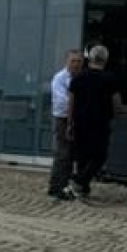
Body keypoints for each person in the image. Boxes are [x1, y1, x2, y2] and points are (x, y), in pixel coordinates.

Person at [68, 45, 122, 201]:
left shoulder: (78, 77)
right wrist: (116, 114)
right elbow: (116, 102)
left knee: (82, 156)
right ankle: (81, 183)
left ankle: (82, 188)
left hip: (80, 122)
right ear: (105, 60)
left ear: (89, 59)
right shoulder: (110, 79)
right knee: (99, 156)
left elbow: (71, 102)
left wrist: (70, 122)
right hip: (101, 123)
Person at [46, 49, 84, 201]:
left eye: (79, 61)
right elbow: (63, 100)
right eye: (73, 61)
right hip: (61, 119)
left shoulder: (82, 78)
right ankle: (56, 186)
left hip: (77, 119)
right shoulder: (59, 78)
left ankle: (66, 185)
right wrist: (76, 102)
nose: (76, 64)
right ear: (66, 62)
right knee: (62, 154)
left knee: (72, 155)